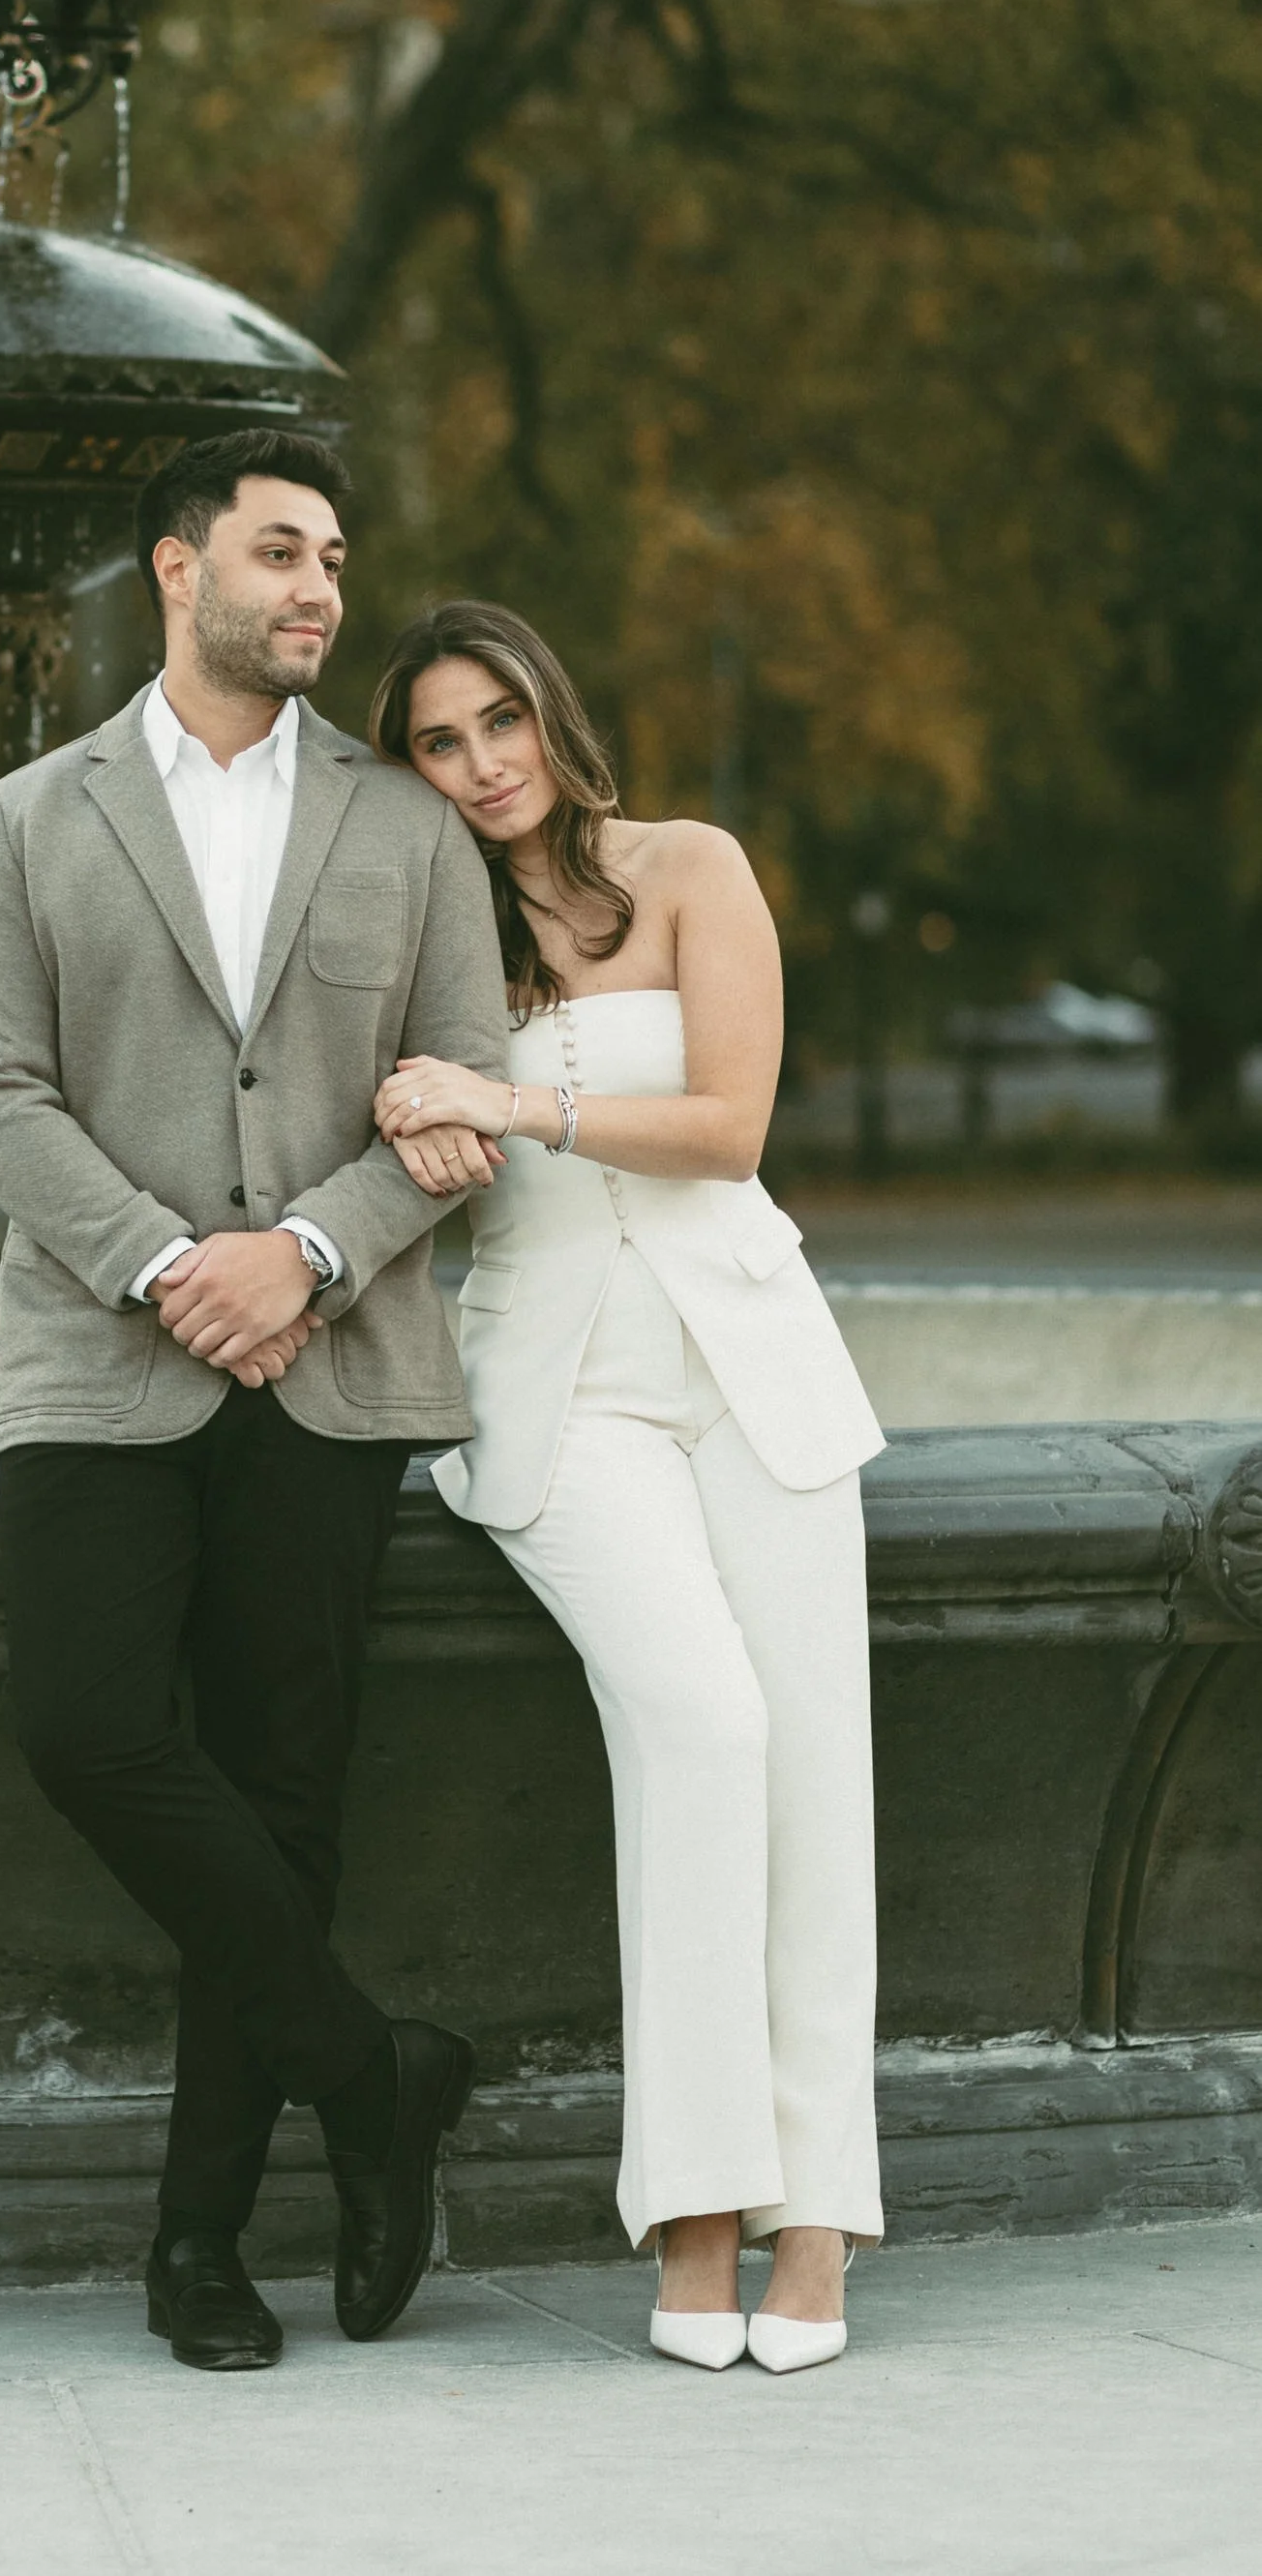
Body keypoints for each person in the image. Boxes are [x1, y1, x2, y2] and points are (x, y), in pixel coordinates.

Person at [0, 433, 511, 2374]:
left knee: (281, 1797)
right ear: (174, 570)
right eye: (280, 552)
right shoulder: (28, 816)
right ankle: (370, 2074)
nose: (320, 589)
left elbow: (462, 1097)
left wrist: (309, 1255)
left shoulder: (408, 825)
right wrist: (175, 1266)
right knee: (87, 1727)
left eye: (332, 555)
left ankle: (197, 2243)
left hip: (335, 1370)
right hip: (96, 1358)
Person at [365, 599, 886, 2374]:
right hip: (557, 1386)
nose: (480, 764)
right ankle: (698, 2207)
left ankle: (818, 2219)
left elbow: (732, 1124)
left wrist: (506, 1106)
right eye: (439, 741)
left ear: (551, 712)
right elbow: (393, 1126)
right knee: (705, 1724)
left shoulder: (688, 866)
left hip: (753, 1362)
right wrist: (421, 1117)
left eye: (499, 720)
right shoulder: (424, 928)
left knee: (816, 1776)